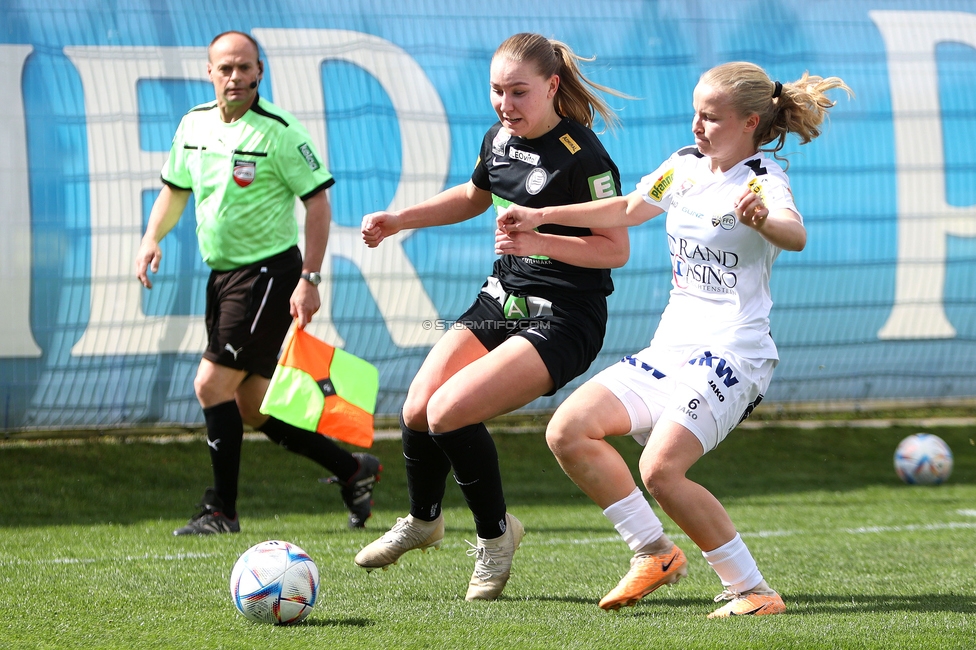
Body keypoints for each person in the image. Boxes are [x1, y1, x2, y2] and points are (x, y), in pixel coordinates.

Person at [498, 62, 851, 617]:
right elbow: (626, 209)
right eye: (696, 113)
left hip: (733, 352)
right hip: (672, 348)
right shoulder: (685, 167)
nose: (697, 127)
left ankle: (754, 591)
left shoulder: (762, 182)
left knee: (661, 470)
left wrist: (763, 220)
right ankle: (654, 553)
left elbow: (795, 234)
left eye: (711, 118)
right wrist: (541, 217)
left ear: (750, 122)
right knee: (569, 429)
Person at [356, 32, 630, 601]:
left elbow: (614, 250)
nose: (506, 105)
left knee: (449, 412)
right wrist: (400, 219)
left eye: (519, 92)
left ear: (553, 87)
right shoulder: (500, 137)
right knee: (416, 408)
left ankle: (496, 537)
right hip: (501, 300)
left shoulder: (586, 156)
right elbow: (476, 195)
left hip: (565, 317)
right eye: (497, 92)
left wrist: (540, 239)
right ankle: (425, 520)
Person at [135, 31, 381, 535]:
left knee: (210, 384)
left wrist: (309, 278)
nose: (236, 77)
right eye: (226, 68)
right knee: (250, 403)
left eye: (245, 68)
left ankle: (221, 510)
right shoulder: (194, 125)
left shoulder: (281, 132)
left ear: (260, 72)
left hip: (269, 275)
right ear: (210, 72)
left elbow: (318, 203)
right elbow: (174, 191)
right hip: (222, 275)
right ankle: (353, 470)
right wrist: (150, 238)